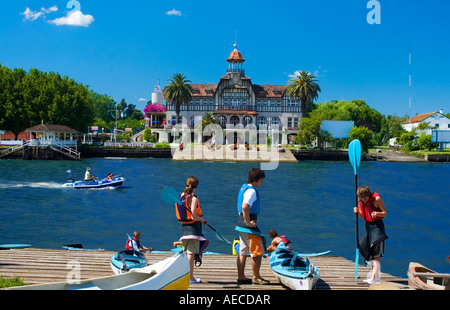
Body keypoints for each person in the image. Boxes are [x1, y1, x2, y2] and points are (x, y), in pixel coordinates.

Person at [235, 167, 270, 285]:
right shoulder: (252, 191)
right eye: (261, 180)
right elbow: (245, 206)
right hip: (247, 226)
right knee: (257, 251)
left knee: (243, 251)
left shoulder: (243, 188)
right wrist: (248, 222)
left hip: (240, 225)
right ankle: (256, 277)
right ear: (256, 180)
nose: (262, 182)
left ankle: (241, 276)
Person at [176, 176, 209, 284]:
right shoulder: (193, 198)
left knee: (186, 254)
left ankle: (185, 276)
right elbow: (194, 216)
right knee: (191, 254)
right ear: (195, 187)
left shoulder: (180, 197)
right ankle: (190, 278)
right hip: (194, 230)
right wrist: (202, 219)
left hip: (184, 229)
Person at [353, 185, 388, 285]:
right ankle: (374, 275)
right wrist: (357, 212)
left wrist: (377, 213)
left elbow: (385, 213)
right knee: (362, 246)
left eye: (365, 199)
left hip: (377, 229)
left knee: (376, 255)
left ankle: (374, 278)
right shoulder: (361, 202)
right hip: (368, 228)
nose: (364, 201)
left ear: (368, 195)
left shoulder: (376, 199)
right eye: (362, 199)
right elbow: (364, 216)